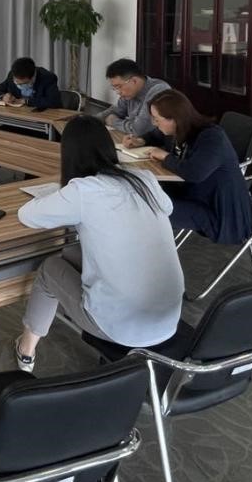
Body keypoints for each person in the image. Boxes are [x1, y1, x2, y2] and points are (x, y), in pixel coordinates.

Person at [13, 115, 183, 372]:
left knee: (50, 268)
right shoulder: (144, 178)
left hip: (118, 326)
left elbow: (27, 215)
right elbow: (167, 208)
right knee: (70, 254)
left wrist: (62, 196)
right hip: (169, 319)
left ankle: (26, 349)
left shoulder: (83, 190)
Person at [142, 89, 252, 244]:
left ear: (175, 119)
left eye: (156, 119)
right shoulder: (183, 130)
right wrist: (141, 140)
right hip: (194, 196)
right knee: (143, 196)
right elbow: (157, 135)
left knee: (148, 210)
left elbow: (195, 173)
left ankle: (153, 254)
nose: (154, 124)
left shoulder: (212, 137)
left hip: (221, 215)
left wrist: (165, 157)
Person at [0, 57, 61, 188]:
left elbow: (53, 102)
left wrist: (26, 101)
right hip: (22, 123)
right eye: (17, 82)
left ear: (32, 77)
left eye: (23, 83)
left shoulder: (47, 78)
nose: (19, 85)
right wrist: (3, 96)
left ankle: (30, 182)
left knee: (31, 143)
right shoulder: (12, 75)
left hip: (43, 127)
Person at [102, 59, 171, 141]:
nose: (118, 92)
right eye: (115, 88)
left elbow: (139, 130)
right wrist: (90, 121)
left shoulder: (158, 90)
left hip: (159, 145)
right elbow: (114, 111)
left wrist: (113, 121)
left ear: (134, 81)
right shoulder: (129, 93)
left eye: (119, 86)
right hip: (139, 142)